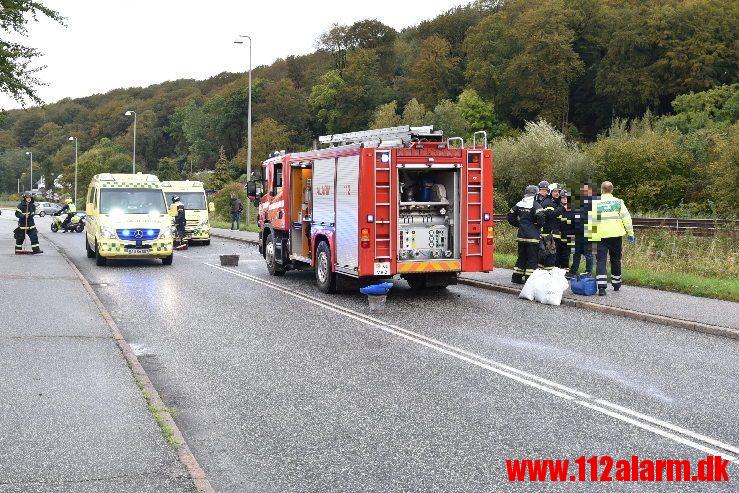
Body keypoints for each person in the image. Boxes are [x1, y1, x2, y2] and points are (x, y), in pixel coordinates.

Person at [586, 181, 634, 296]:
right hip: (616, 236)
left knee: (601, 261)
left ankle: (601, 288)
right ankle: (616, 284)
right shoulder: (618, 202)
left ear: (601, 190)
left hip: (599, 236)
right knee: (616, 259)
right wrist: (630, 233)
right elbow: (626, 218)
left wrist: (589, 237)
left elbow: (590, 221)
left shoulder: (595, 203)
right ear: (611, 190)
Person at [507, 185, 545, 284]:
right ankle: (530, 280)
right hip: (532, 238)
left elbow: (510, 216)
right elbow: (541, 217)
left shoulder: (519, 204)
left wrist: (519, 224)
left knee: (522, 257)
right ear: (535, 194)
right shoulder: (536, 205)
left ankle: (516, 277)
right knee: (532, 259)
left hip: (521, 237)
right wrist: (537, 225)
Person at [569, 183, 597, 277]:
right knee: (575, 254)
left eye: (587, 190)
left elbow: (597, 219)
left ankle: (588, 272)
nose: (585, 192)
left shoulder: (596, 202)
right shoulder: (577, 201)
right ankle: (573, 271)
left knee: (589, 255)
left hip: (590, 233)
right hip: (577, 233)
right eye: (583, 190)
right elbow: (572, 216)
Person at [535, 180, 557, 269]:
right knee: (541, 253)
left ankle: (548, 271)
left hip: (547, 231)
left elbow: (550, 216)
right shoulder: (539, 200)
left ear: (548, 191)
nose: (543, 192)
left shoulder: (548, 202)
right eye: (541, 190)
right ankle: (541, 270)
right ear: (539, 190)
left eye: (545, 190)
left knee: (548, 252)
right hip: (540, 231)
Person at [556, 190, 575, 272]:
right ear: (560, 198)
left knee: (566, 256)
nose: (565, 199)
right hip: (558, 237)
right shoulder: (558, 209)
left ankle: (565, 273)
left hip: (569, 237)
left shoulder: (574, 211)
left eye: (567, 198)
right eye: (563, 197)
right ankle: (556, 272)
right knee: (556, 255)